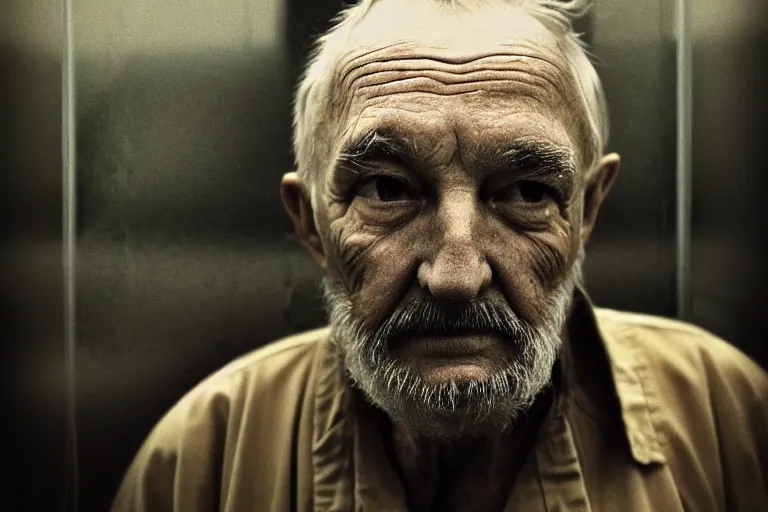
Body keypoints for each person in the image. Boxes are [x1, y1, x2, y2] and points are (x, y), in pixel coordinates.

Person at [111, 0, 768, 510]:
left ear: (586, 212)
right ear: (312, 223)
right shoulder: (205, 459)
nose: (456, 275)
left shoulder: (728, 421)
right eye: (389, 189)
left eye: (526, 192)